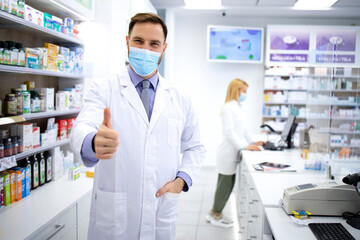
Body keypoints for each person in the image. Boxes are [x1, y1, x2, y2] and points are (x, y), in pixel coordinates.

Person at [71, 13, 205, 240]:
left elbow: (195, 147)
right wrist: (94, 142)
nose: (146, 49)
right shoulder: (104, 89)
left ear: (164, 48)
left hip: (161, 208)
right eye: (138, 41)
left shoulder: (180, 98)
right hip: (114, 216)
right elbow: (81, 127)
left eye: (154, 44)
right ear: (127, 42)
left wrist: (182, 180)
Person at [206, 78, 264, 228]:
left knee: (228, 185)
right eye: (243, 91)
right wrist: (245, 146)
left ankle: (213, 212)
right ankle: (215, 215)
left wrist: (252, 142)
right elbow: (229, 132)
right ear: (236, 90)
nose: (245, 94)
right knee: (225, 186)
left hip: (233, 151)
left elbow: (242, 130)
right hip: (227, 153)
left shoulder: (238, 107)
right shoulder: (228, 108)